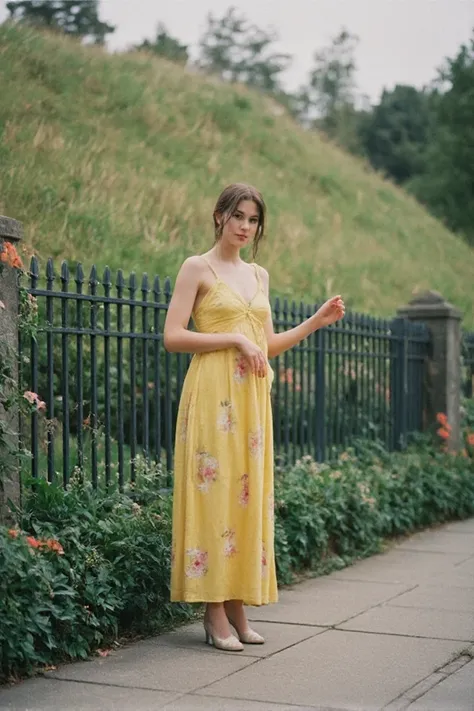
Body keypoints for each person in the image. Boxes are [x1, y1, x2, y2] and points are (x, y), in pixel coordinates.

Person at [164, 183, 345, 652]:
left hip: (251, 400)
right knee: (215, 495)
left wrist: (313, 322)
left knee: (247, 496)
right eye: (238, 216)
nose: (245, 226)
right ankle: (213, 610)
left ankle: (238, 603)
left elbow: (264, 343)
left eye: (253, 220)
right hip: (212, 394)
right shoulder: (196, 267)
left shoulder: (259, 275)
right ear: (219, 215)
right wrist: (233, 340)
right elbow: (173, 336)